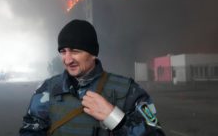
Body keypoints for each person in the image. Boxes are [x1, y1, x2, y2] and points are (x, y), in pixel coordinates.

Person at [19, 19, 165, 136]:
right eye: (63, 52)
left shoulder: (129, 91)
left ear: (93, 53)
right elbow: (30, 130)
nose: (68, 60)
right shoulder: (47, 89)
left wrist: (115, 118)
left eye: (75, 51)